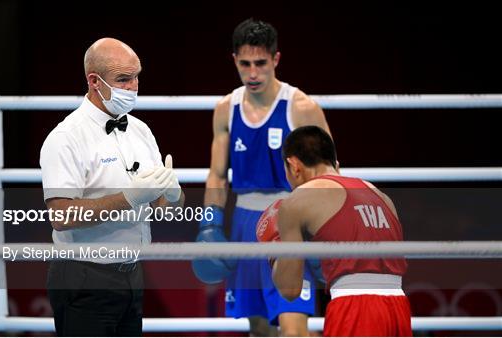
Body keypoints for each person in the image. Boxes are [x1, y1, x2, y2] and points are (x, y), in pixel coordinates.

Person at [192, 19, 332, 336]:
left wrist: (326, 229)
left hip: (290, 221)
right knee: (259, 330)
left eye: (260, 63)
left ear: (276, 60)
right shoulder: (225, 109)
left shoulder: (301, 107)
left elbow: (330, 172)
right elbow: (216, 175)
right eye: (245, 64)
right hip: (245, 223)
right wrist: (209, 223)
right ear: (234, 61)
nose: (252, 73)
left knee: (294, 327)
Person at [40, 37, 184, 336]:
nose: (133, 86)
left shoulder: (141, 131)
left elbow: (164, 208)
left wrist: (173, 194)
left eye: (136, 77)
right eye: (123, 79)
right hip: (83, 274)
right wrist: (129, 198)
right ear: (94, 81)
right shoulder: (65, 138)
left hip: (133, 272)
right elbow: (61, 217)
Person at [257, 125, 412, 336]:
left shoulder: (297, 201)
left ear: (294, 166)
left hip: (354, 307)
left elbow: (290, 290)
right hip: (398, 307)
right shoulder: (379, 194)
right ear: (334, 163)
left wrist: (275, 252)